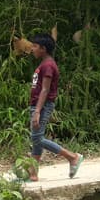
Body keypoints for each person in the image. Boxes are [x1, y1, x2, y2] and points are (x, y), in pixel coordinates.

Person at [25, 32, 83, 181]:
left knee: (37, 138)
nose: (32, 49)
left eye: (35, 46)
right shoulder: (44, 64)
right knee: (37, 139)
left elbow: (45, 89)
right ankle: (33, 174)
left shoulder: (49, 66)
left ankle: (72, 157)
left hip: (42, 106)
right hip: (38, 105)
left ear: (43, 48)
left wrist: (37, 111)